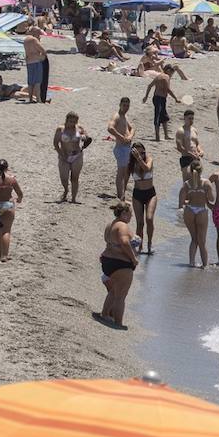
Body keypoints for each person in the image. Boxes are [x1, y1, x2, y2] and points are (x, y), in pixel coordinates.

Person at [95, 201, 137, 329]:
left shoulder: (110, 225)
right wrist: (133, 259)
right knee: (121, 296)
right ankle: (118, 323)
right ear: (124, 213)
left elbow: (110, 243)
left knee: (114, 291)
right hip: (121, 264)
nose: (131, 216)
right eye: (130, 214)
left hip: (108, 262)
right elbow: (124, 242)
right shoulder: (122, 226)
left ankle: (105, 314)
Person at [178, 160, 214, 269]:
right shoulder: (206, 183)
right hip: (201, 211)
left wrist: (189, 200)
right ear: (201, 170)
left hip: (189, 210)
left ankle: (191, 263)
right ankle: (204, 265)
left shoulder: (187, 184)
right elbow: (212, 199)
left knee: (194, 239)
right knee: (202, 241)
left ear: (190, 170)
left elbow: (181, 202)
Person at [52, 111, 89, 203]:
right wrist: (61, 154)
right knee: (64, 178)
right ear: (66, 120)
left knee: (75, 178)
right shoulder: (60, 129)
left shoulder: (79, 128)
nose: (72, 124)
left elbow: (87, 137)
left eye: (74, 122)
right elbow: (55, 143)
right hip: (64, 156)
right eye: (70, 121)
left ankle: (73, 198)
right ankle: (66, 190)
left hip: (77, 155)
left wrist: (84, 136)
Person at [127, 143, 157, 254]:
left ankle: (149, 244)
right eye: (138, 153)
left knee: (149, 219)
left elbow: (147, 169)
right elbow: (125, 179)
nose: (141, 155)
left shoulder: (149, 159)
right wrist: (122, 195)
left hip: (150, 194)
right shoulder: (131, 164)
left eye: (142, 152)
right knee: (140, 223)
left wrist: (139, 158)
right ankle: (139, 246)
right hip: (137, 194)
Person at [144, 64, 185, 142]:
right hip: (159, 99)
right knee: (158, 117)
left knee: (164, 117)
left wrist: (146, 97)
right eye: (172, 72)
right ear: (168, 70)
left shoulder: (159, 76)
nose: (172, 74)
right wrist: (175, 98)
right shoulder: (166, 77)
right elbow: (167, 89)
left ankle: (166, 135)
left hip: (158, 98)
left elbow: (149, 86)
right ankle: (157, 137)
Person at [107, 97, 135, 200]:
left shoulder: (125, 116)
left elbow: (133, 128)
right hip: (120, 148)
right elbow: (110, 128)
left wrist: (130, 136)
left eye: (127, 105)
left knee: (126, 172)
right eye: (124, 105)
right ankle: (120, 195)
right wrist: (121, 137)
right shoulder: (117, 116)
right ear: (120, 105)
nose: (126, 107)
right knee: (121, 173)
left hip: (126, 147)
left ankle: (122, 193)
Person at [175, 109, 203, 181]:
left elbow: (197, 143)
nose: (191, 120)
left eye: (192, 118)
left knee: (197, 180)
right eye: (189, 118)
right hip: (186, 158)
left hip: (196, 158)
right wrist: (190, 154)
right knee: (187, 181)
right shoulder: (180, 131)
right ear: (184, 118)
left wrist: (200, 151)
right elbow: (179, 147)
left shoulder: (194, 130)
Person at [22, 28, 49, 104]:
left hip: (29, 62)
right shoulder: (34, 40)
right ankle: (38, 99)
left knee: (30, 82)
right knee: (37, 81)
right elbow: (42, 50)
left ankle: (30, 98)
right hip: (36, 61)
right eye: (38, 33)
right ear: (35, 32)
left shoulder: (25, 40)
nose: (39, 35)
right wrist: (43, 57)